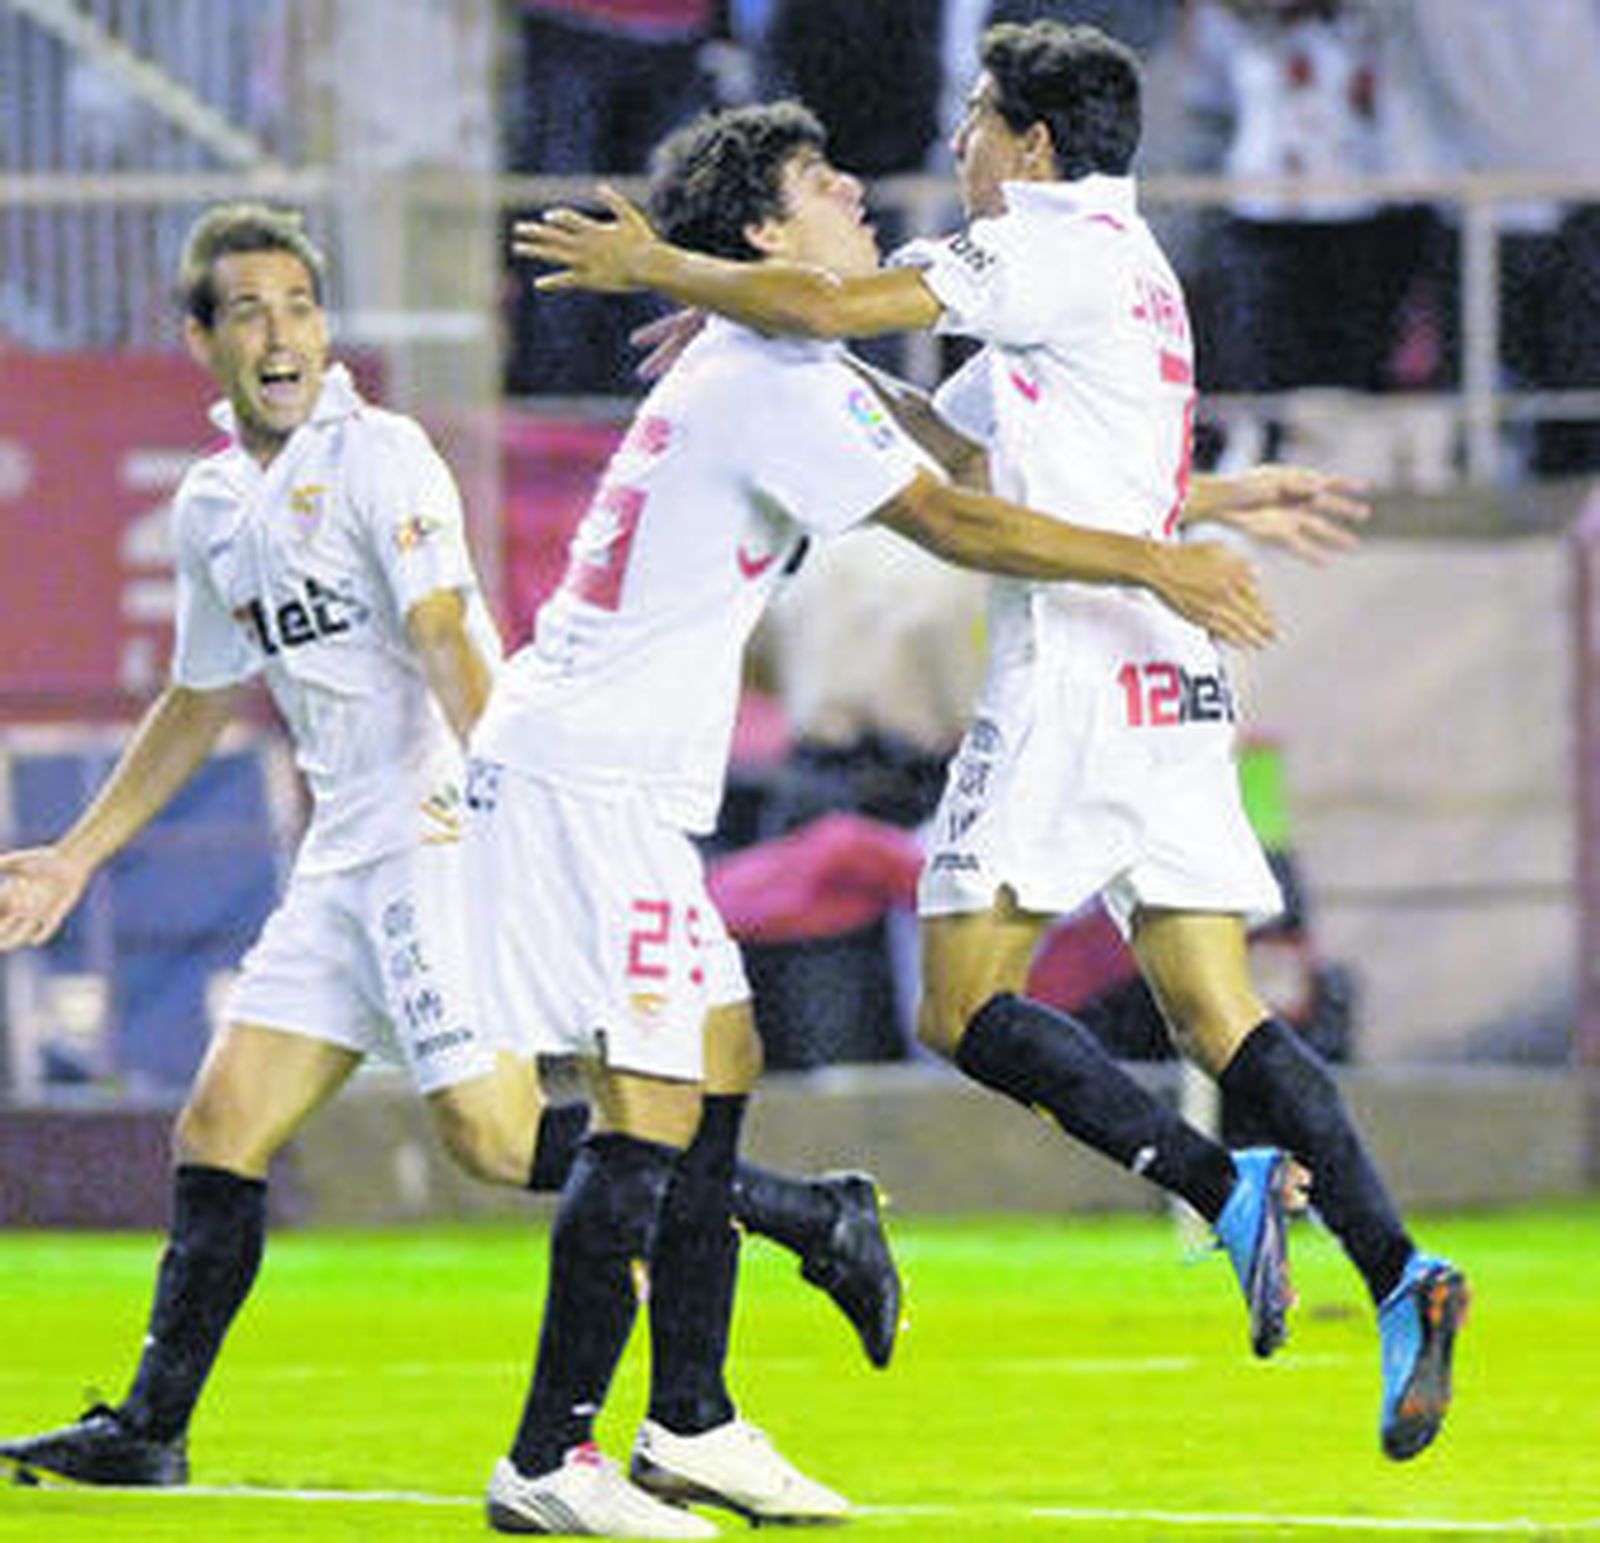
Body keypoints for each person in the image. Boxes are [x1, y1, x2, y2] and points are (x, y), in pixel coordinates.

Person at [513, 20, 1468, 1464]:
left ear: (1029, 144)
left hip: (1078, 661)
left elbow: (862, 344)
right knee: (1219, 1012)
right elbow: (957, 449)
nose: (953, 143)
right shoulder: (1127, 268)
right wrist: (1203, 510)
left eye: (973, 118)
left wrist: (668, 269)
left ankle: (1219, 1187)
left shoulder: (1031, 246)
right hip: (1173, 675)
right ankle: (1398, 1272)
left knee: (960, 1006)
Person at [0, 201, 900, 1495]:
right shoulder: (210, 505)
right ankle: (150, 1427)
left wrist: (508, 792)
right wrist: (77, 857)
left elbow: (446, 634)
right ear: (198, 337)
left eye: (300, 306)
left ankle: (804, 1219)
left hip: (434, 828)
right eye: (249, 311)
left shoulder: (380, 458)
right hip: (341, 862)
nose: (282, 333)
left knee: (491, 1138)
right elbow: (198, 697)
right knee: (221, 1125)